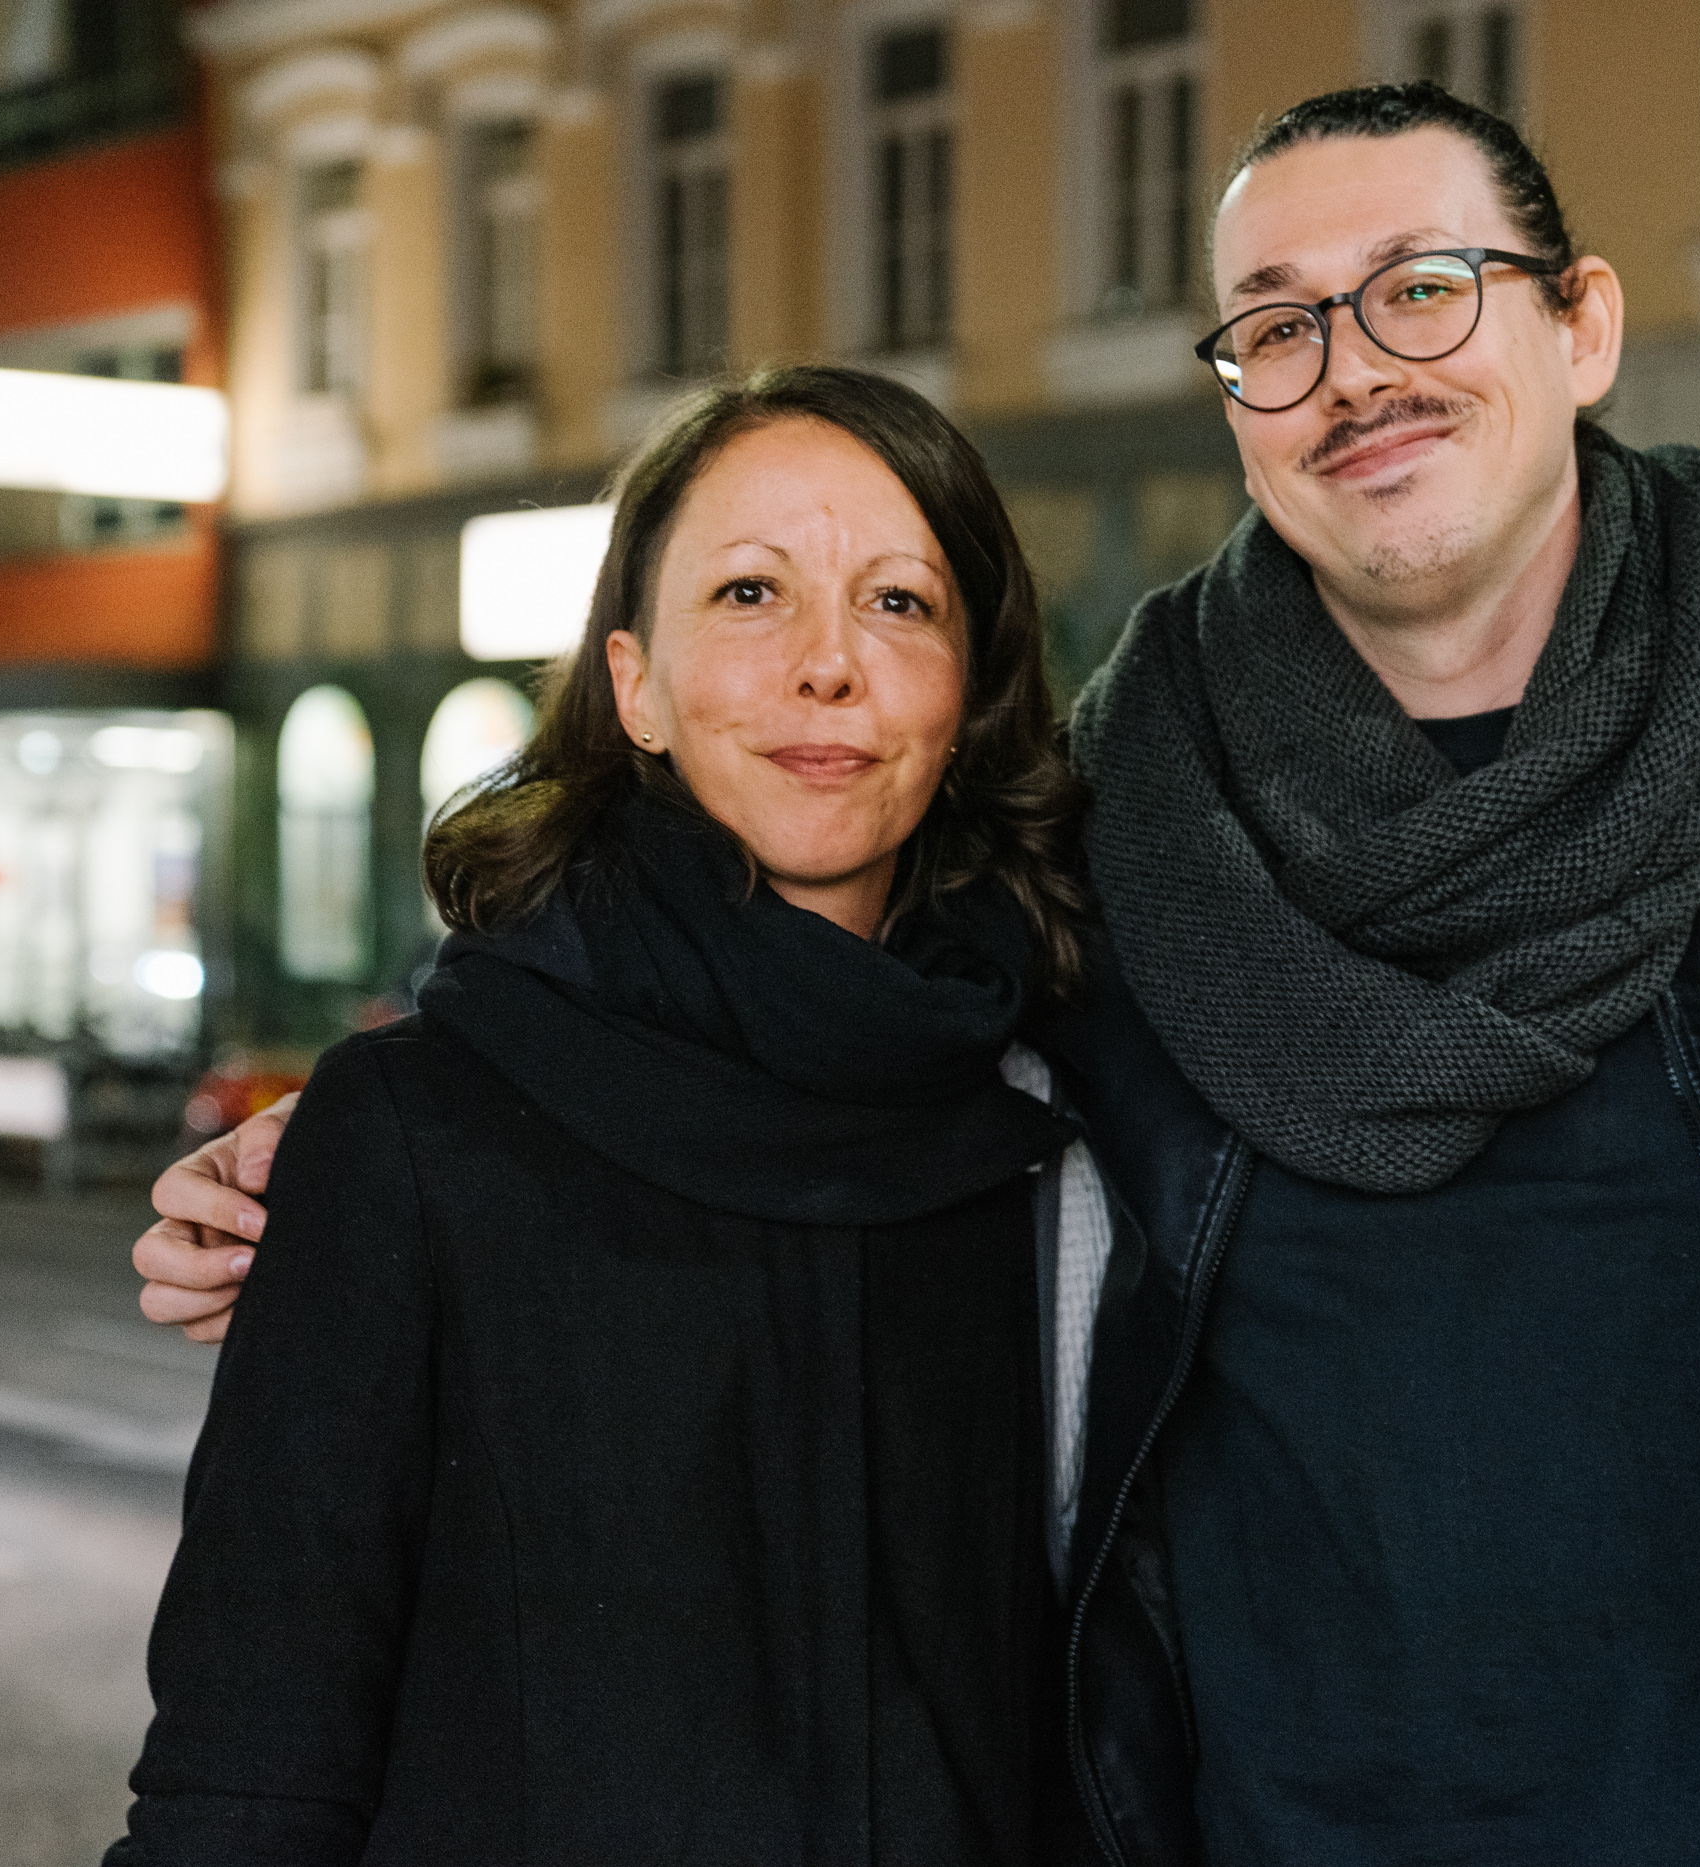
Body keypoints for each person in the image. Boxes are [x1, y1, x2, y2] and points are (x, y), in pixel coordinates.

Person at [138, 85, 1700, 1867]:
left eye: (1423, 288)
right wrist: (375, 1150)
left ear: (1580, 326)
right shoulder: (1123, 820)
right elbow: (793, 1041)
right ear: (1235, 407)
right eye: (1276, 327)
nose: (1356, 367)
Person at [109, 365, 1098, 1865]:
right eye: (751, 593)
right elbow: (248, 1765)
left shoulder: (1048, 1127)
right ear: (634, 684)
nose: (829, 665)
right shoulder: (417, 1132)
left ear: (968, 696)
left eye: (900, 604)